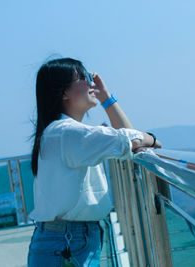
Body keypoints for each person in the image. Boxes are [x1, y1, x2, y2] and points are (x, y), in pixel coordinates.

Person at [27, 57, 161, 266]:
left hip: (66, 240)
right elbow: (130, 139)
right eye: (82, 78)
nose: (91, 83)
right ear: (63, 92)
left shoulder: (63, 133)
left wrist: (105, 97)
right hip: (67, 243)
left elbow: (127, 135)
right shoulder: (68, 133)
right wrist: (152, 139)